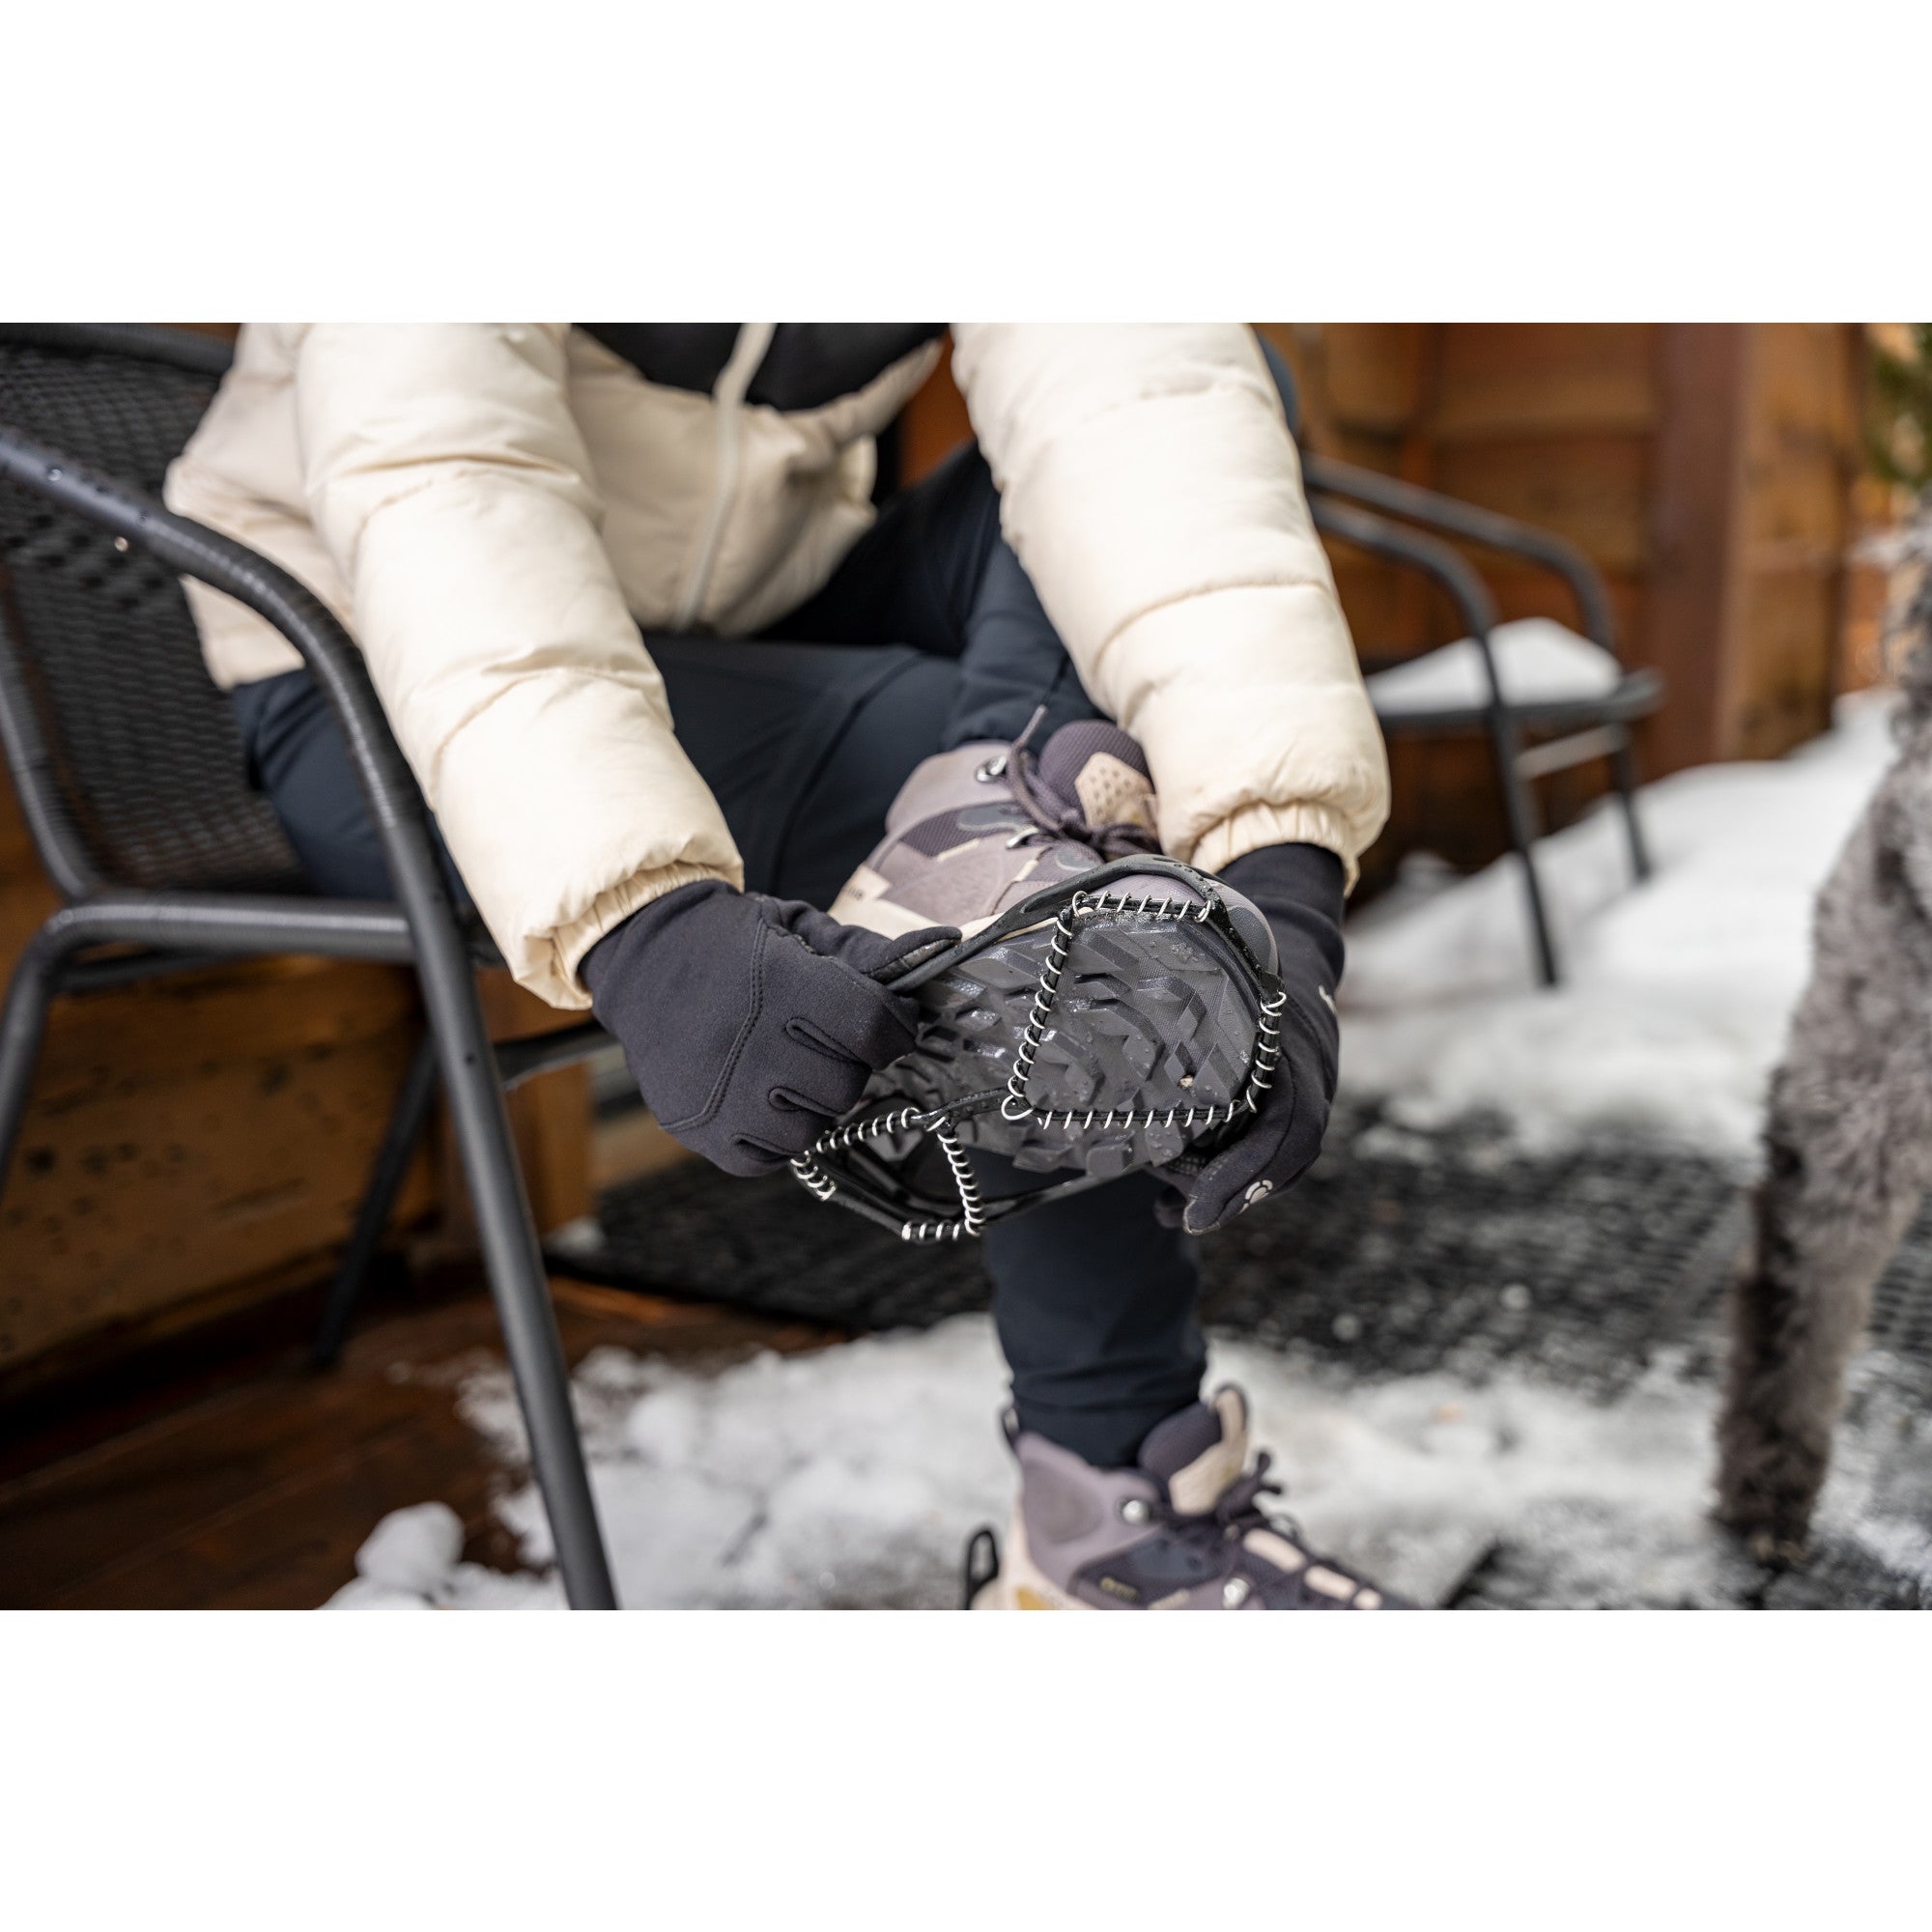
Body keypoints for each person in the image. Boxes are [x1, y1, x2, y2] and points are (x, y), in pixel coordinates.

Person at [167, 324, 1399, 1609]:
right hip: (376, 658)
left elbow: (1140, 395)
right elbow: (447, 486)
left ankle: (986, 817)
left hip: (751, 605)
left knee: (1157, 486)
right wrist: (643, 920)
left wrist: (1280, 886)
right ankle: (1106, 1522)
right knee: (1081, 888)